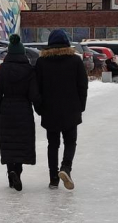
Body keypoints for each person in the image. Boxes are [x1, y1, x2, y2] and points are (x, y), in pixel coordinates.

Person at [35, 29, 88, 190]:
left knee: (53, 144)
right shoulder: (75, 61)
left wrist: (39, 108)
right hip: (71, 109)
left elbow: (36, 87)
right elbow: (82, 85)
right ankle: (66, 168)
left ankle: (53, 178)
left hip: (49, 110)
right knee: (70, 142)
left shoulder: (42, 63)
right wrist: (81, 106)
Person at [0, 34, 39, 192]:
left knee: (9, 144)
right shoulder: (29, 70)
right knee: (21, 144)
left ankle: (11, 172)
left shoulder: (3, 69)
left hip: (6, 110)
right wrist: (41, 109)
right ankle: (18, 172)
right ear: (23, 54)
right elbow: (34, 94)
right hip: (24, 110)